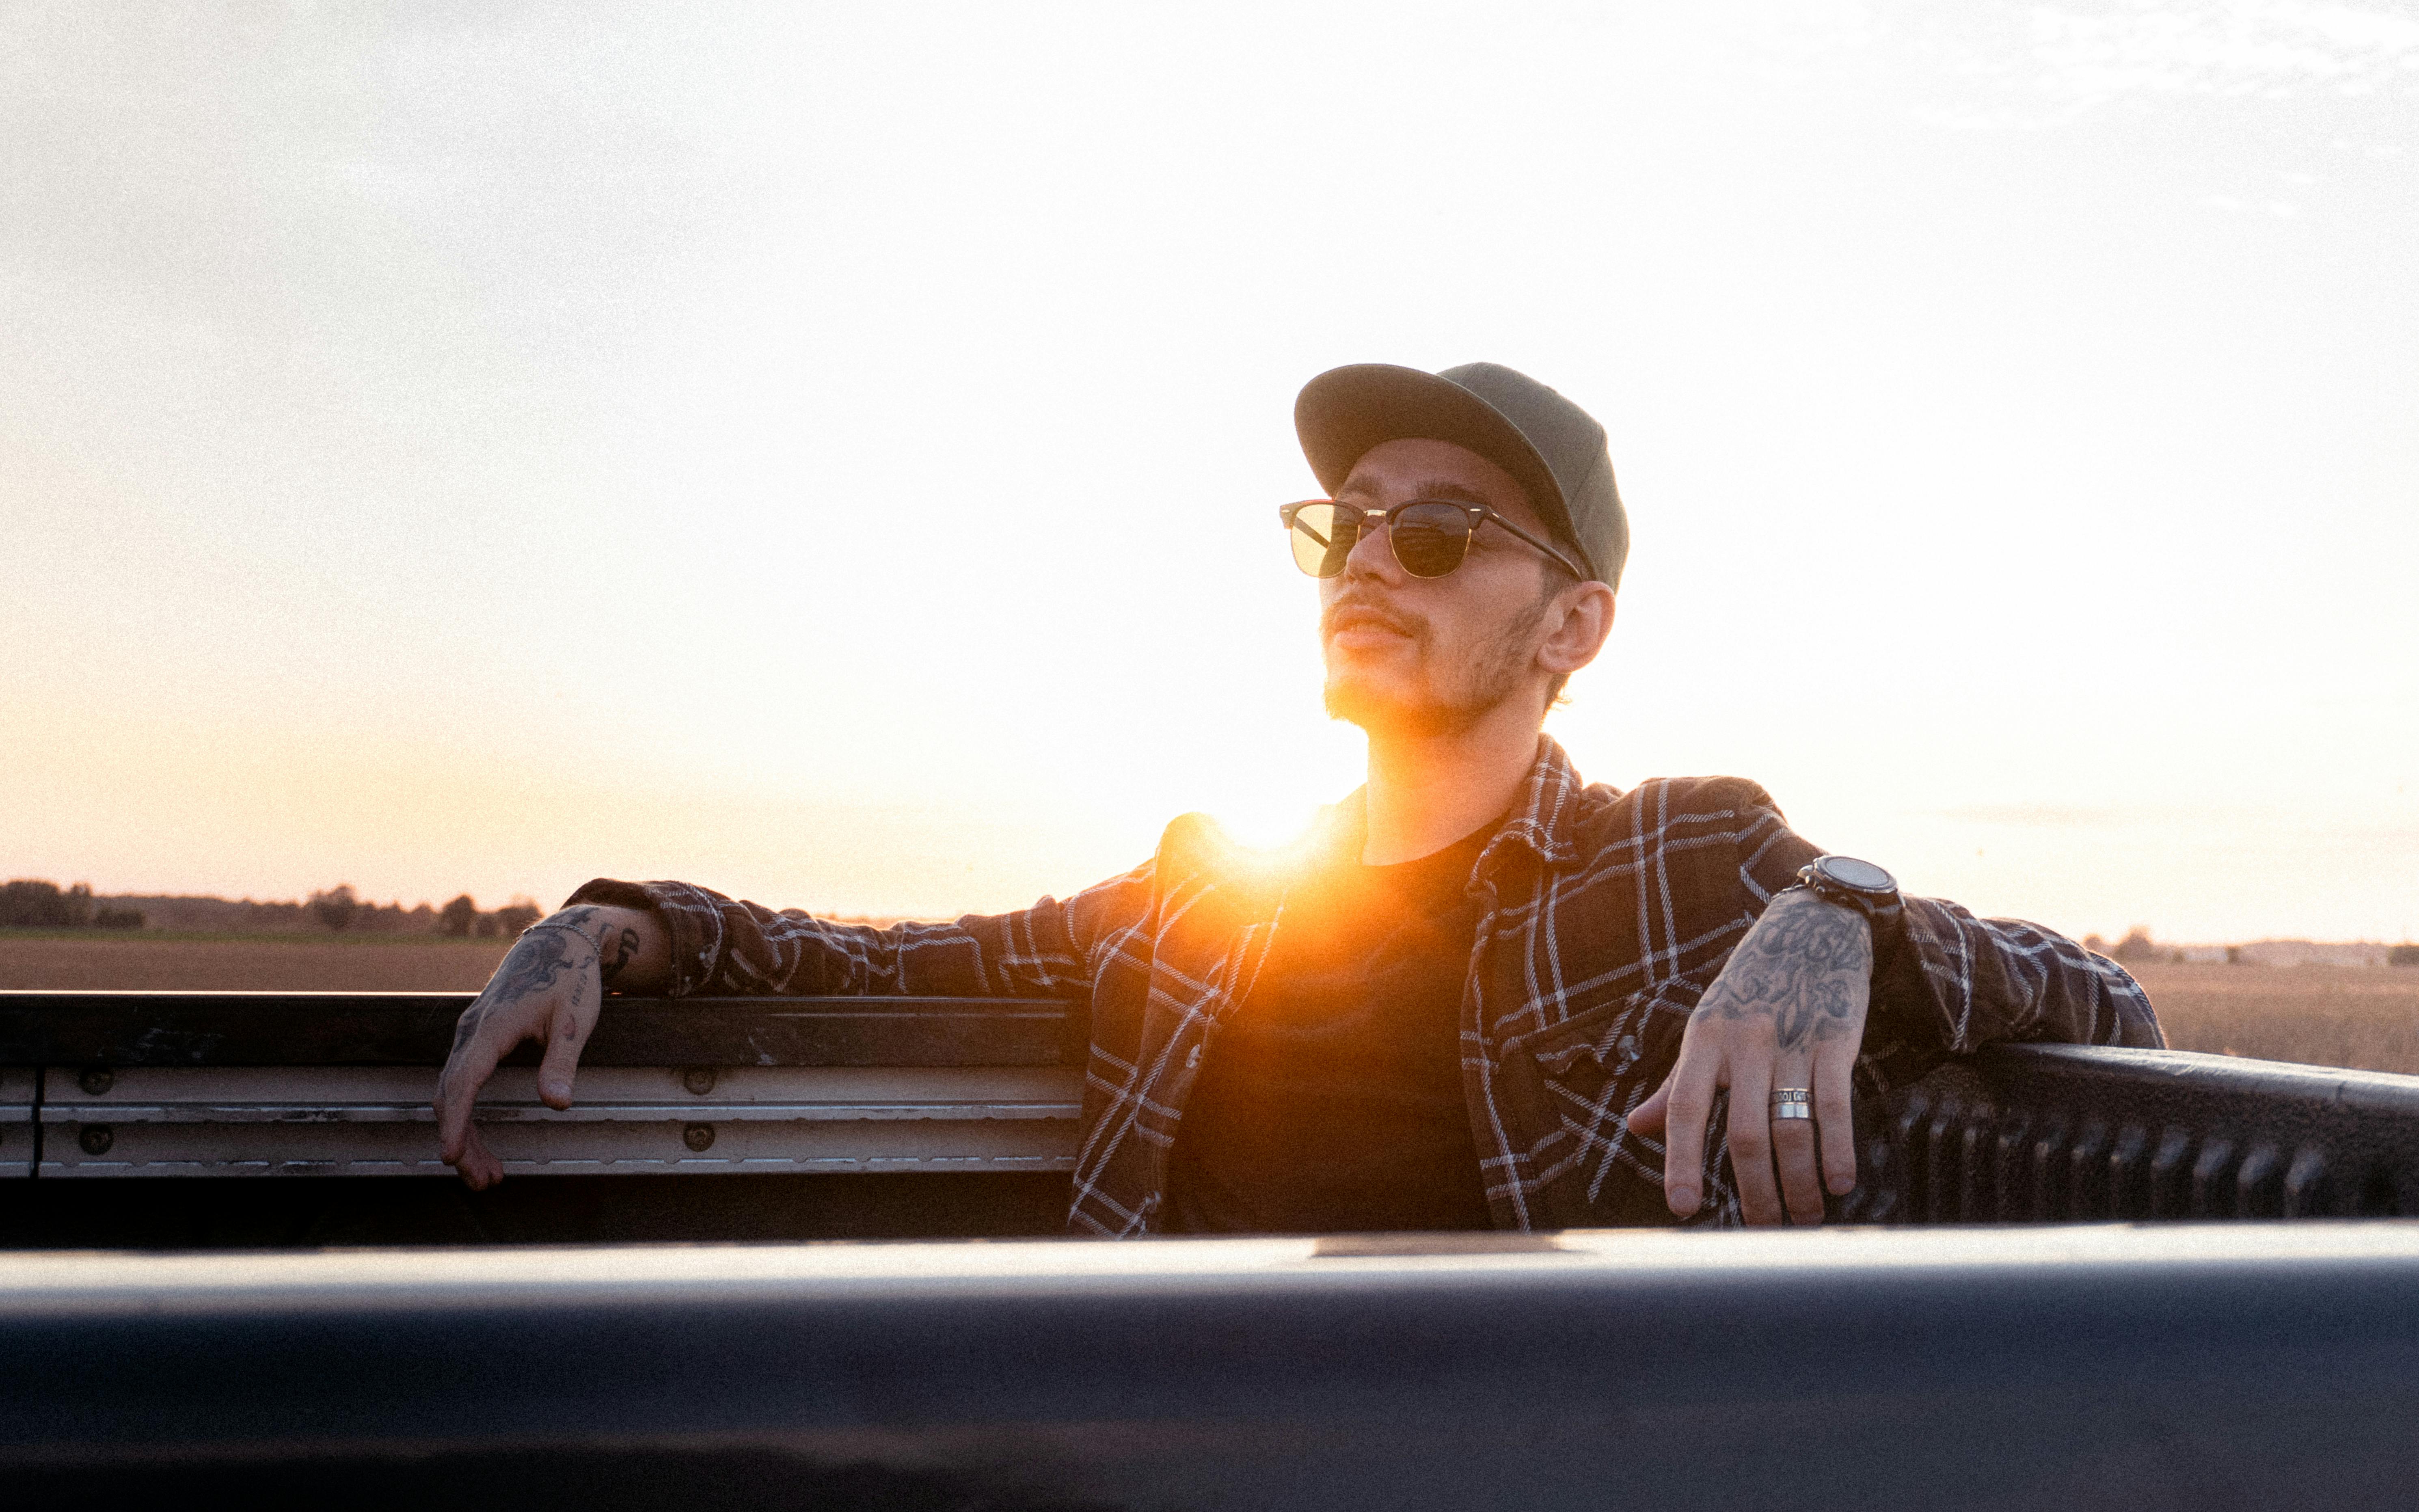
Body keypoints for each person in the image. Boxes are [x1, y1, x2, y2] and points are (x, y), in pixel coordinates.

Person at [435, 361, 2162, 1231]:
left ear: (1572, 624)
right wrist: (627, 923)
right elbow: (890, 956)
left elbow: (2099, 996)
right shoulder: (1215, 880)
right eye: (1344, 523)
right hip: (1157, 1452)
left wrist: (1839, 907)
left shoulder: (1679, 857)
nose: (1365, 560)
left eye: (1435, 533)